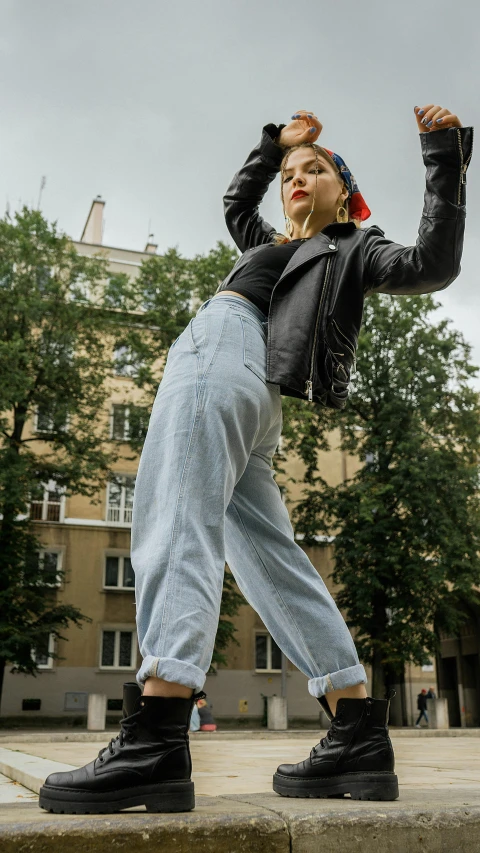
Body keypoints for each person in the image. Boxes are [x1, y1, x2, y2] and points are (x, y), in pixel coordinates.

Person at [39, 105, 472, 814]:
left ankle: (158, 725)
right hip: (252, 392)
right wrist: (278, 144)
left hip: (224, 358)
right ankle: (356, 724)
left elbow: (434, 263)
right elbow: (237, 200)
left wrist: (443, 155)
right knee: (271, 557)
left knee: (177, 515)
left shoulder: (351, 246)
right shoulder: (269, 240)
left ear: (348, 195)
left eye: (317, 169)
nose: (298, 179)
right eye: (291, 176)